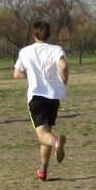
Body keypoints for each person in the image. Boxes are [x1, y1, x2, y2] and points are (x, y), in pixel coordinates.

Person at [13, 21, 68, 181]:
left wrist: (29, 75)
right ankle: (43, 170)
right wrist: (64, 80)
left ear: (34, 35)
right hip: (53, 98)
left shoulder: (25, 51)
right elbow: (63, 66)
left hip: (36, 97)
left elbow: (16, 74)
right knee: (46, 133)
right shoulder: (56, 49)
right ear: (49, 34)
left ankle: (56, 142)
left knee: (43, 135)